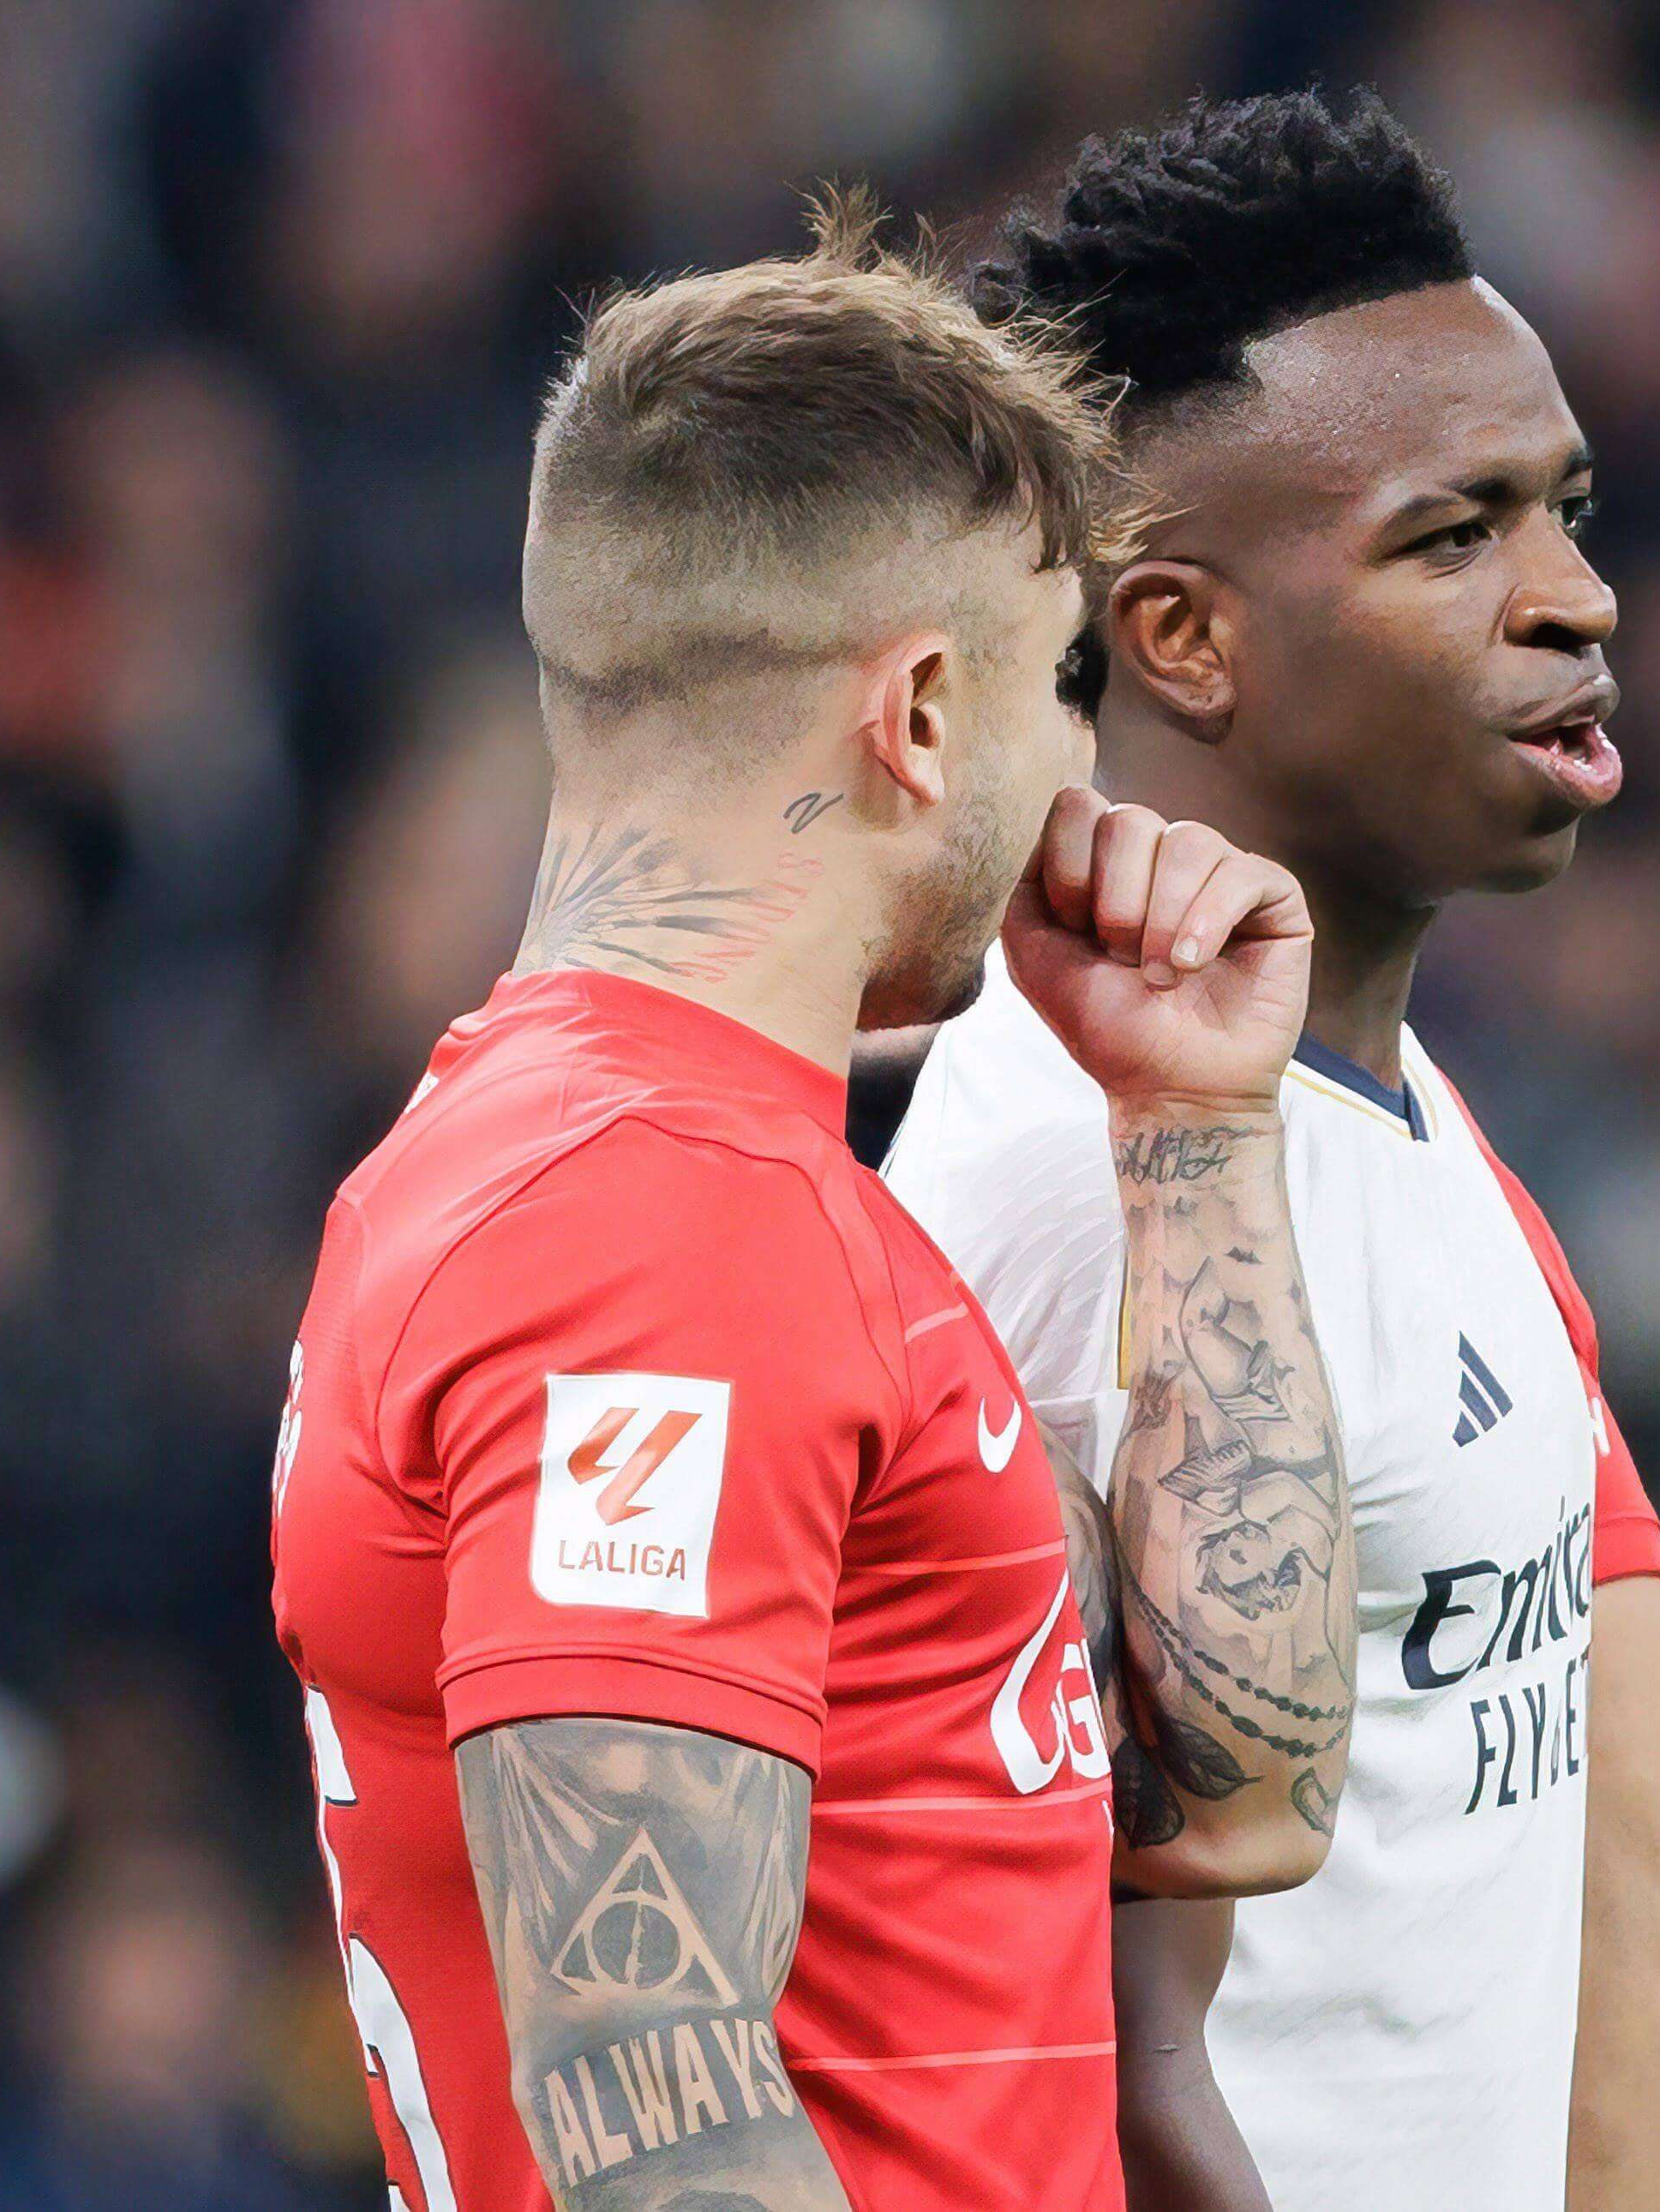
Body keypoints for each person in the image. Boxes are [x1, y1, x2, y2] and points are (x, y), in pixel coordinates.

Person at [268, 199, 1357, 2212]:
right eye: (1060, 687)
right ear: (919, 713)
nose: (1083, 777)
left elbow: (1234, 1791)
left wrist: (1197, 1132)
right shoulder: (662, 1230)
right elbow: (653, 2092)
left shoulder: (611, 1172)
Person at [883, 92, 1660, 2212]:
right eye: (1452, 537)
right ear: (1179, 636)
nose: (1574, 598)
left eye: (1567, 510)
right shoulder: (1063, 1210)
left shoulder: (1421, 1121)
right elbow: (1047, 2053)